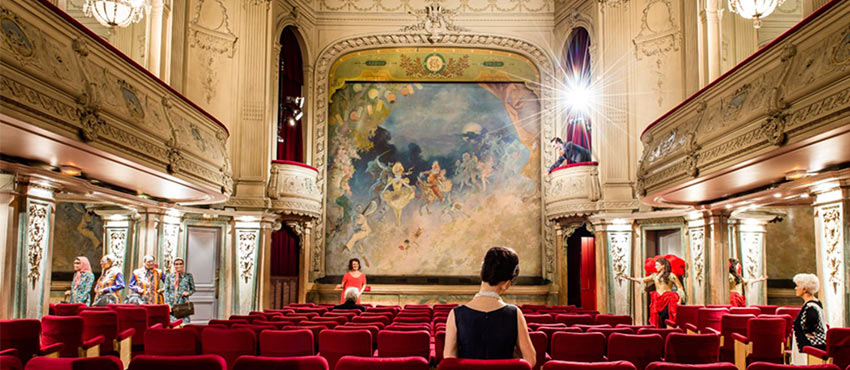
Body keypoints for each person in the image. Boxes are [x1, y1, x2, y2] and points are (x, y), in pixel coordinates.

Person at [444, 247, 536, 366]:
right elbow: (530, 360)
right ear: (507, 284)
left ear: (482, 273)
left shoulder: (455, 314)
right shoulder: (514, 313)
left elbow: (449, 361)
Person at [619, 257, 685, 328]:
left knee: (667, 319)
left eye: (657, 265)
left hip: (668, 300)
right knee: (657, 320)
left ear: (663, 266)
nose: (655, 267)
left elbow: (680, 287)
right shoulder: (654, 276)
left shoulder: (671, 275)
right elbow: (643, 280)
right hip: (657, 300)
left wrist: (680, 301)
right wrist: (629, 278)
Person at [790, 273, 827, 365]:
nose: (795, 288)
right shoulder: (814, 303)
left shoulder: (810, 307)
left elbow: (810, 334)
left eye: (797, 286)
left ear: (805, 289)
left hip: (809, 355)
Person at [163, 257, 195, 322]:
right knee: (173, 323)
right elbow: (166, 291)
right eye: (176, 264)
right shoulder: (169, 276)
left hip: (183, 303)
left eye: (180, 264)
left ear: (183, 265)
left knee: (184, 323)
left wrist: (188, 293)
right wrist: (168, 304)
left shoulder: (188, 276)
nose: (178, 266)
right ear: (174, 265)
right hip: (172, 303)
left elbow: (193, 289)